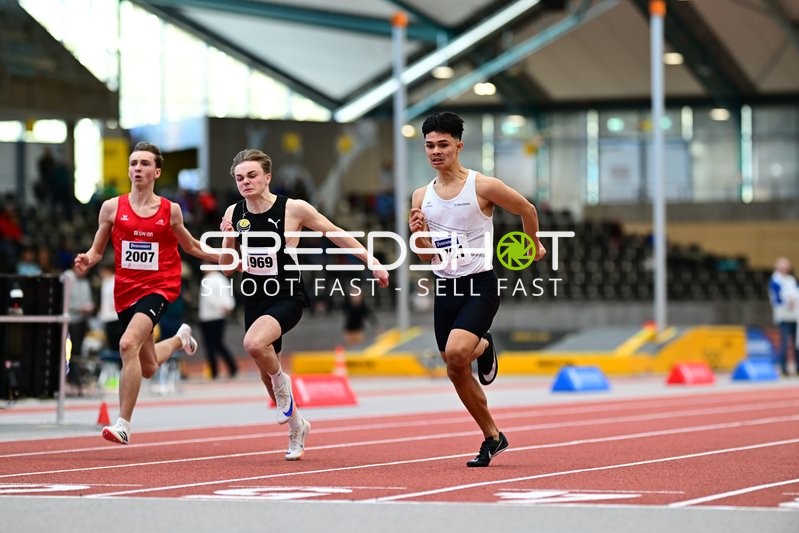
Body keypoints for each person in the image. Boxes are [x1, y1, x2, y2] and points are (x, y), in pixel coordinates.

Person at [218, 148, 389, 461]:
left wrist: (372, 260)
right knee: (264, 370)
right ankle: (298, 426)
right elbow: (228, 268)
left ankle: (284, 388)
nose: (246, 182)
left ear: (267, 177)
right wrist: (228, 240)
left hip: (287, 293)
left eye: (252, 175)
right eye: (240, 178)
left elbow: (335, 233)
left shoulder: (293, 209)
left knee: (254, 344)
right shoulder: (234, 213)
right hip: (255, 295)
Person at [408, 112, 547, 467]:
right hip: (446, 287)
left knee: (457, 351)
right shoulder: (421, 195)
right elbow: (427, 256)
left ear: (458, 146)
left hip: (480, 285)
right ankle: (493, 436)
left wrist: (533, 241)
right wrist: (418, 234)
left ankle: (482, 345)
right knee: (454, 366)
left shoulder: (481, 186)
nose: (436, 151)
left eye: (443, 145)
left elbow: (526, 208)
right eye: (429, 146)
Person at [74, 141, 221, 445]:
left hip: (159, 287)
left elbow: (192, 246)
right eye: (133, 163)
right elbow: (97, 250)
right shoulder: (112, 207)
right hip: (126, 290)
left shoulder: (170, 211)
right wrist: (88, 258)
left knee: (127, 344)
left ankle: (123, 424)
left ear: (157, 171)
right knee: (150, 366)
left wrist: (227, 257)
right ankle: (181, 339)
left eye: (143, 164)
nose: (137, 169)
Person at [198, 269, 239, 379]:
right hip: (220, 316)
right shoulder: (221, 278)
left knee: (210, 346)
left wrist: (221, 307)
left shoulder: (207, 280)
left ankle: (214, 372)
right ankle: (232, 367)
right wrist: (229, 307)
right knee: (219, 344)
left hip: (208, 317)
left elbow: (209, 298)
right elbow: (228, 294)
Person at [768, 257, 797, 376]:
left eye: (786, 266)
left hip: (795, 315)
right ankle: (784, 368)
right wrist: (788, 303)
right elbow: (776, 298)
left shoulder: (791, 279)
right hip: (783, 316)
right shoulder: (775, 280)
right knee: (784, 343)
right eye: (782, 266)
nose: (784, 268)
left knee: (797, 343)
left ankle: (797, 367)